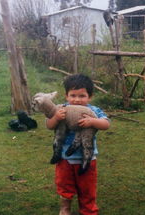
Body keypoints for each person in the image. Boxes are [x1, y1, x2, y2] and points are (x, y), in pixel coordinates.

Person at [46, 73, 110, 215]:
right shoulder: (61, 109)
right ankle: (65, 209)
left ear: (90, 96)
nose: (77, 100)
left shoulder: (93, 111)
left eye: (82, 96)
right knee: (64, 186)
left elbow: (106, 124)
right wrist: (56, 118)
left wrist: (92, 121)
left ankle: (88, 211)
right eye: (73, 95)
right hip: (64, 159)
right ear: (66, 95)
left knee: (87, 188)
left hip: (87, 159)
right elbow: (49, 125)